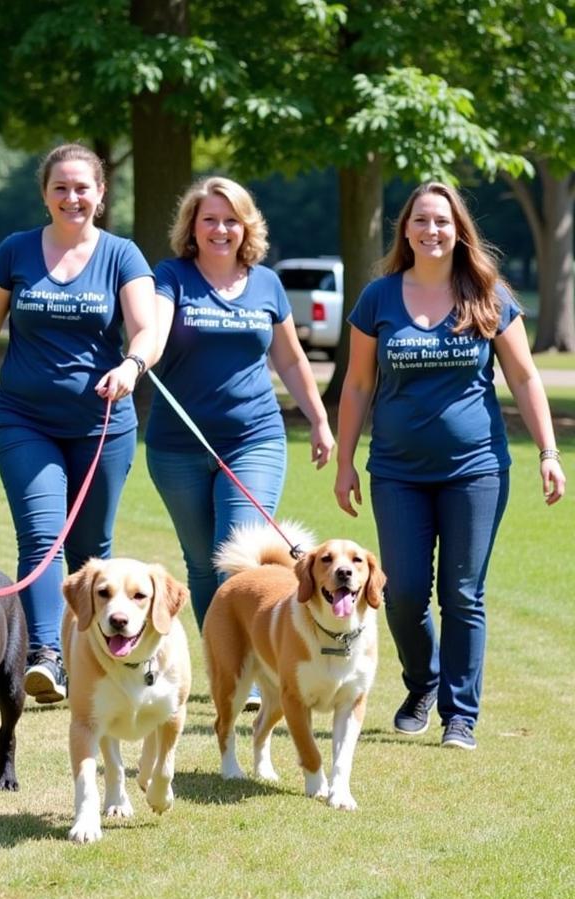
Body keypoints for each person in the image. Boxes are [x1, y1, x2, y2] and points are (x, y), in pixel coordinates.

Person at [335, 181, 565, 751]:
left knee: (463, 592)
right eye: (421, 221)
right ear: (406, 230)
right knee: (404, 591)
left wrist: (549, 453)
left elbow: (525, 377)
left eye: (442, 221)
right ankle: (423, 683)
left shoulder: (487, 294)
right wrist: (345, 462)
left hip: (477, 469)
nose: (431, 231)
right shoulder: (379, 298)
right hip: (396, 471)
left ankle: (460, 714)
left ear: (458, 229)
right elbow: (358, 382)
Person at [0, 142, 156, 704]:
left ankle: (92, 648)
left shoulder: (122, 256)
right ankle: (46, 658)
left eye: (83, 187)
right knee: (43, 535)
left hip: (103, 423)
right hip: (24, 420)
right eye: (61, 187)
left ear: (101, 195)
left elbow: (147, 328)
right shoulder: (16, 252)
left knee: (91, 546)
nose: (72, 197)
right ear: (45, 195)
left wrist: (133, 364)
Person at [146, 176, 335, 648]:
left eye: (231, 220)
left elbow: (290, 358)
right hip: (176, 447)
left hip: (255, 439)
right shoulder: (171, 276)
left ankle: (250, 668)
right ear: (192, 226)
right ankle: (225, 661)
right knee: (200, 562)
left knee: (235, 555)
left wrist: (319, 419)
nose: (220, 229)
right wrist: (136, 359)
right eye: (209, 219)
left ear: (246, 226)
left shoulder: (267, 283)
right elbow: (154, 328)